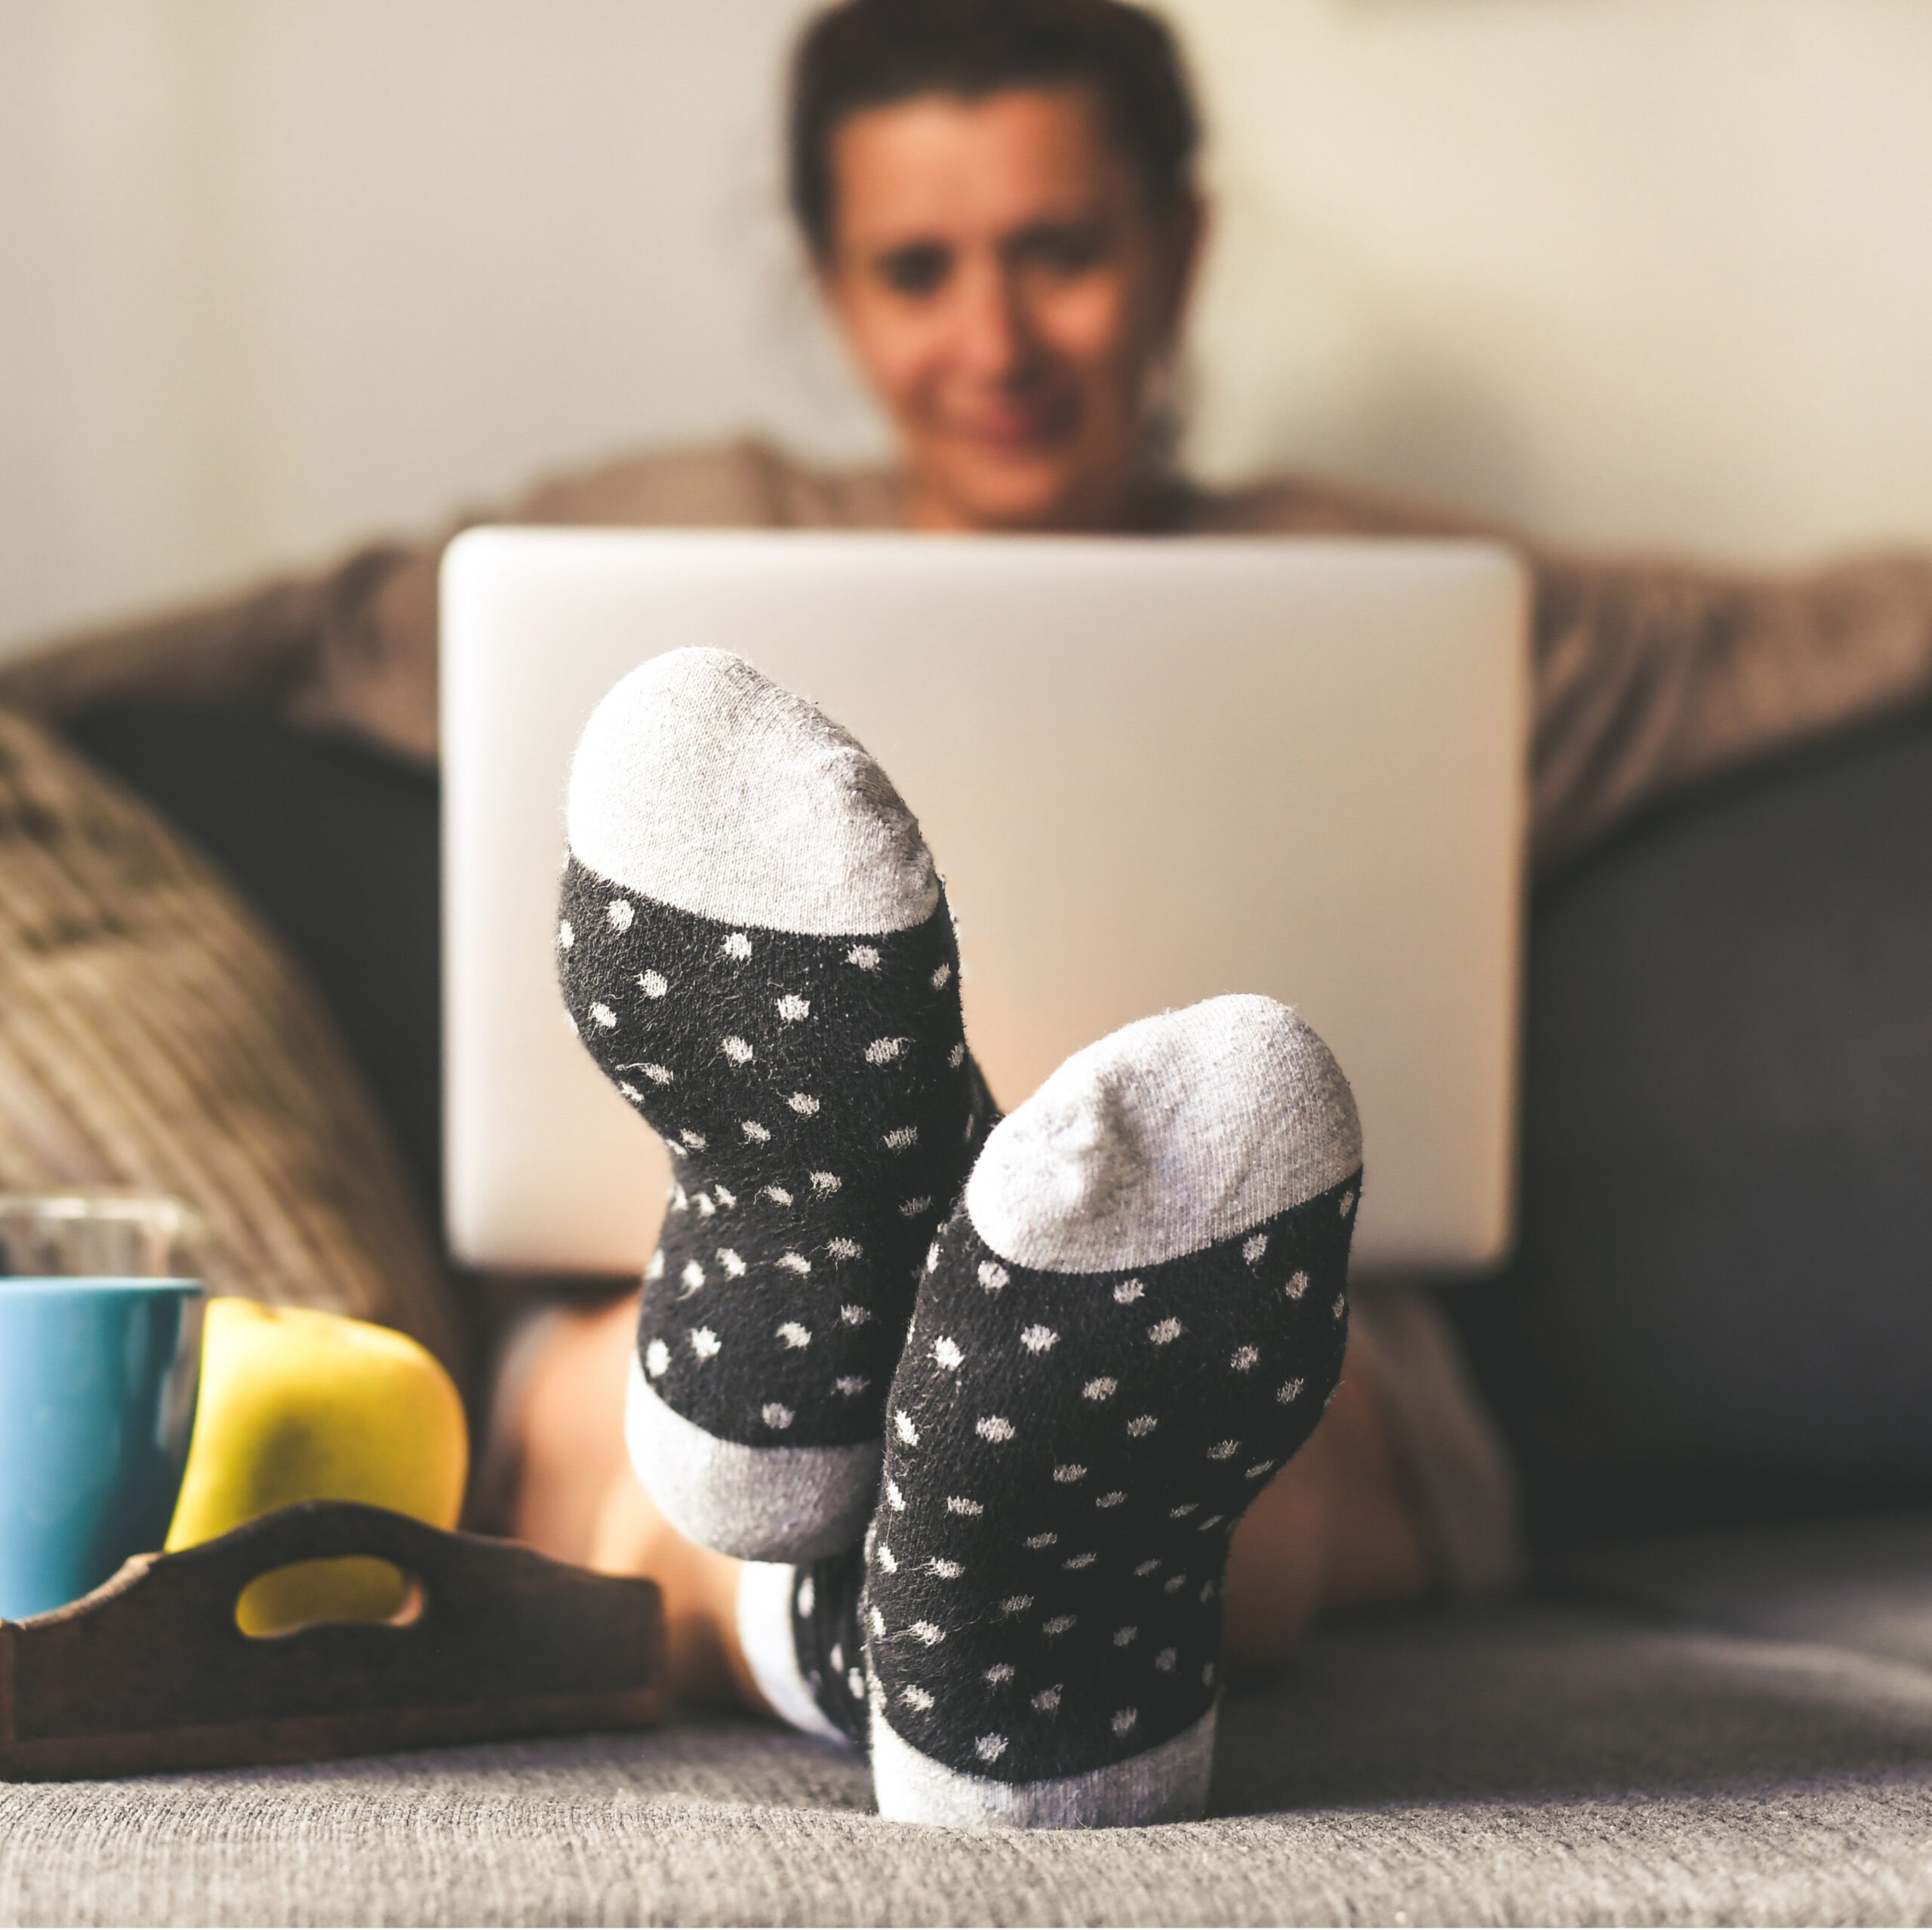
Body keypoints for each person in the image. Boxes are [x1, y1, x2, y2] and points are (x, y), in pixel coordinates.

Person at [5, 0, 1932, 1747]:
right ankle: (906, 1543)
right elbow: (275, 633)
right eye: (916, 271)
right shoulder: (664, 535)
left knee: (1236, 1412)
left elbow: (1799, 635)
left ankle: (886, 1567)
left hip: (1271, 1309)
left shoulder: (1393, 596)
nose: (991, 342)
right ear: (832, 290)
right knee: (626, 1419)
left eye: (1060, 255)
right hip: (653, 1285)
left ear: (1178, 248)